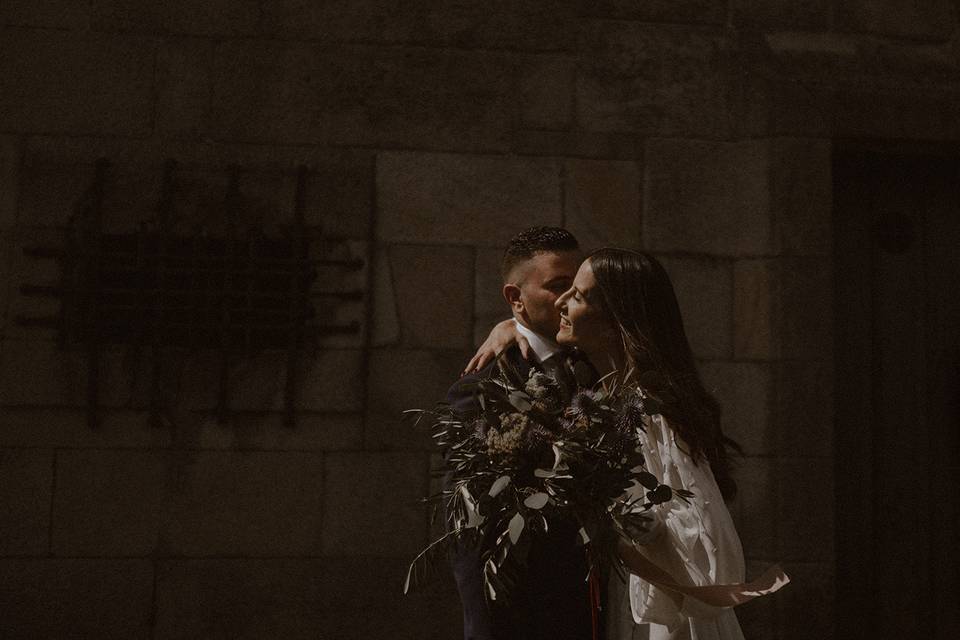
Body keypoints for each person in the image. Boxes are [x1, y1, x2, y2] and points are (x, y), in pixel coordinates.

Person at [471, 248, 765, 640]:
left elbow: (703, 530)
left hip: (664, 616)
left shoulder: (653, 410)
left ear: (614, 322)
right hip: (615, 603)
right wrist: (513, 325)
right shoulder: (602, 391)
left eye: (576, 295)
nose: (561, 301)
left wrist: (612, 514)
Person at [445, 226, 597, 640]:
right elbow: (472, 533)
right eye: (558, 286)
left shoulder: (596, 366)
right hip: (528, 613)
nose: (570, 298)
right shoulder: (481, 389)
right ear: (516, 299)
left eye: (578, 284)